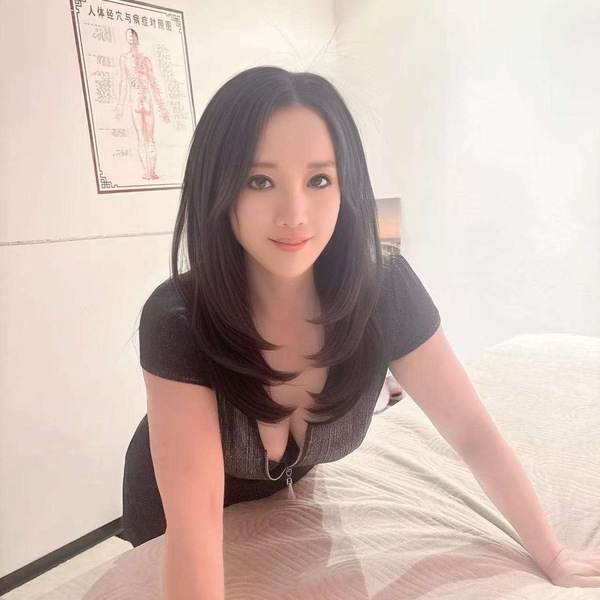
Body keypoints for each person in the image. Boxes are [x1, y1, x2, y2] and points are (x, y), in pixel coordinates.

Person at [121, 66, 600, 599]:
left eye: (319, 180)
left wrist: (553, 554)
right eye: (260, 181)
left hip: (289, 500)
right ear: (218, 187)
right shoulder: (178, 317)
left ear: (346, 186)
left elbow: (471, 430)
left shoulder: (384, 289)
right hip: (171, 511)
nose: (295, 214)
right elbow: (196, 517)